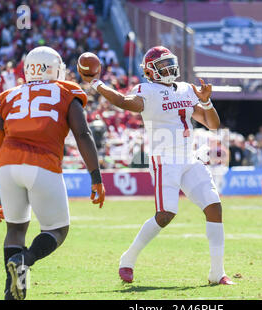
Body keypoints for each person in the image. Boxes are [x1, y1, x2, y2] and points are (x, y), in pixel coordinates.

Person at [78, 46, 234, 285]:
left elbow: (211, 123)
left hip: (189, 158)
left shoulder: (186, 89)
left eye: (169, 63)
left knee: (214, 207)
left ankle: (217, 273)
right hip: (164, 160)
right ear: (150, 71)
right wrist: (96, 83)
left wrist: (206, 101)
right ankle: (127, 259)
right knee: (165, 215)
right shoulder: (146, 89)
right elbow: (124, 101)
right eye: (162, 65)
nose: (169, 68)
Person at [0, 46, 105, 300]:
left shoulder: (8, 96)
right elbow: (83, 134)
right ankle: (25, 258)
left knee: (15, 229)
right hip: (42, 163)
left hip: (7, 164)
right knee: (58, 231)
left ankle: (11, 294)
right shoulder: (66, 91)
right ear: (55, 68)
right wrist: (96, 177)